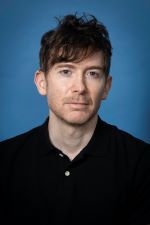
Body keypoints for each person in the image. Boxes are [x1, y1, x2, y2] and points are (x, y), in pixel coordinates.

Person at [0, 13, 150, 225]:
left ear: (106, 87)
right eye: (65, 71)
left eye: (92, 74)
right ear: (42, 82)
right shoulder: (5, 160)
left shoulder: (141, 163)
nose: (79, 87)